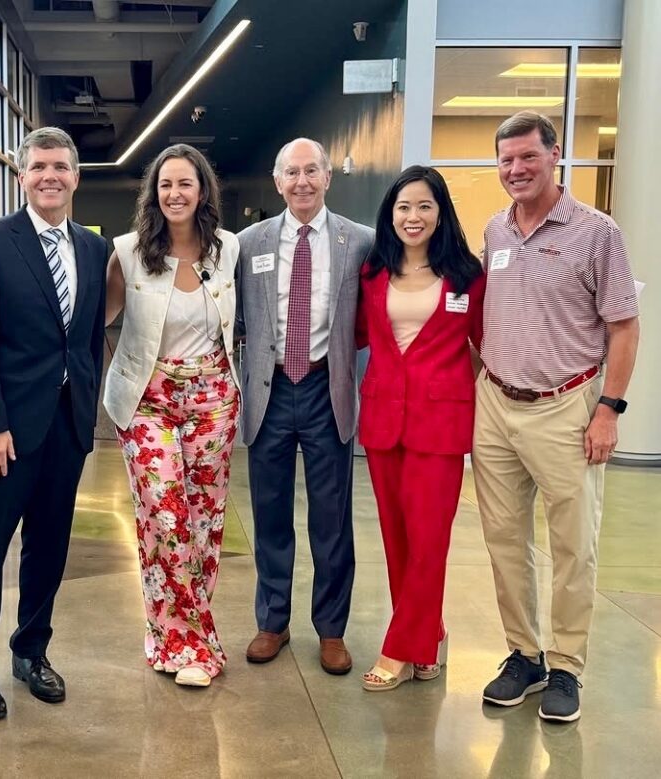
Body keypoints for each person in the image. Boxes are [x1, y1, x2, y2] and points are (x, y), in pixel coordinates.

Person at [474, 111, 639, 722]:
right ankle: (525, 654)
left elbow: (624, 326)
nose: (515, 169)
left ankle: (568, 665)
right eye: (506, 159)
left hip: (566, 406)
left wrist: (608, 410)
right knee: (503, 540)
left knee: (574, 545)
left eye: (527, 157)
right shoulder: (495, 231)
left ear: (555, 156)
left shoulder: (597, 233)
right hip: (495, 402)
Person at [0, 127, 108, 719]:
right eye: (39, 165)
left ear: (75, 176)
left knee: (50, 546)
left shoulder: (93, 249)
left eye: (61, 166)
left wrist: (86, 414)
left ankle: (31, 651)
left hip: (66, 428)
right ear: (22, 176)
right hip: (7, 433)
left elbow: (89, 340)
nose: (51, 176)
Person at [235, 138, 374, 674]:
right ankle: (273, 622)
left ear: (327, 176)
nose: (302, 182)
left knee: (331, 520)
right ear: (277, 182)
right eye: (291, 173)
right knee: (270, 516)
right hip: (269, 392)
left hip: (325, 389)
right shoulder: (248, 243)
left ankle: (332, 629)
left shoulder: (358, 242)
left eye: (311, 171)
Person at [104, 144, 241, 688]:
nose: (175, 194)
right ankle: (198, 647)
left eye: (185, 184)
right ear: (153, 194)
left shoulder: (229, 250)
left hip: (214, 399)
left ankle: (167, 637)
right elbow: (96, 318)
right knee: (164, 518)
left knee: (204, 523)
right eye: (165, 185)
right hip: (148, 400)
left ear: (202, 191)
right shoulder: (129, 251)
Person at [355, 165, 485, 691]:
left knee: (430, 541)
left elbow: (485, 347)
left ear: (441, 212)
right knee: (397, 539)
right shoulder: (372, 274)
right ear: (391, 213)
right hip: (385, 417)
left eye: (424, 206)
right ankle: (427, 637)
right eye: (404, 206)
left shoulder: (468, 276)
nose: (413, 216)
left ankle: (400, 649)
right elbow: (362, 337)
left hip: (441, 424)